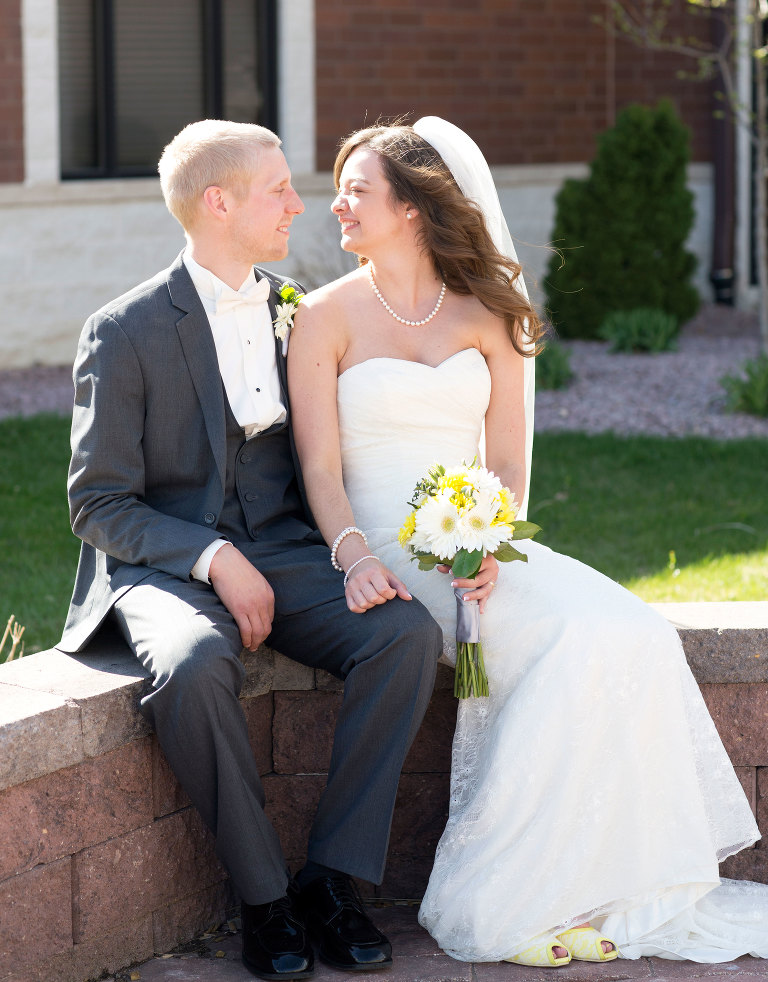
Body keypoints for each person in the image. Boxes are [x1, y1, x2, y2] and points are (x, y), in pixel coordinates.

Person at [287, 115, 768, 965]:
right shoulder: (323, 319)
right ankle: (509, 899)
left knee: (633, 632)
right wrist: (357, 555)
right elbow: (321, 471)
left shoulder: (489, 315)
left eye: (356, 189)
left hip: (479, 545)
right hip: (386, 552)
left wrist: (484, 543)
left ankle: (599, 884)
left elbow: (507, 465)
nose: (338, 206)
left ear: (410, 206)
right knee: (563, 644)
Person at [57, 119, 442, 981]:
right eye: (278, 189)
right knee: (192, 666)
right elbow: (98, 502)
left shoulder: (293, 309)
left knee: (406, 636)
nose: (300, 205)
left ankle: (331, 883)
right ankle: (266, 902)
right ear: (218, 202)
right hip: (167, 567)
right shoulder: (123, 331)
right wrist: (211, 558)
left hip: (288, 549)